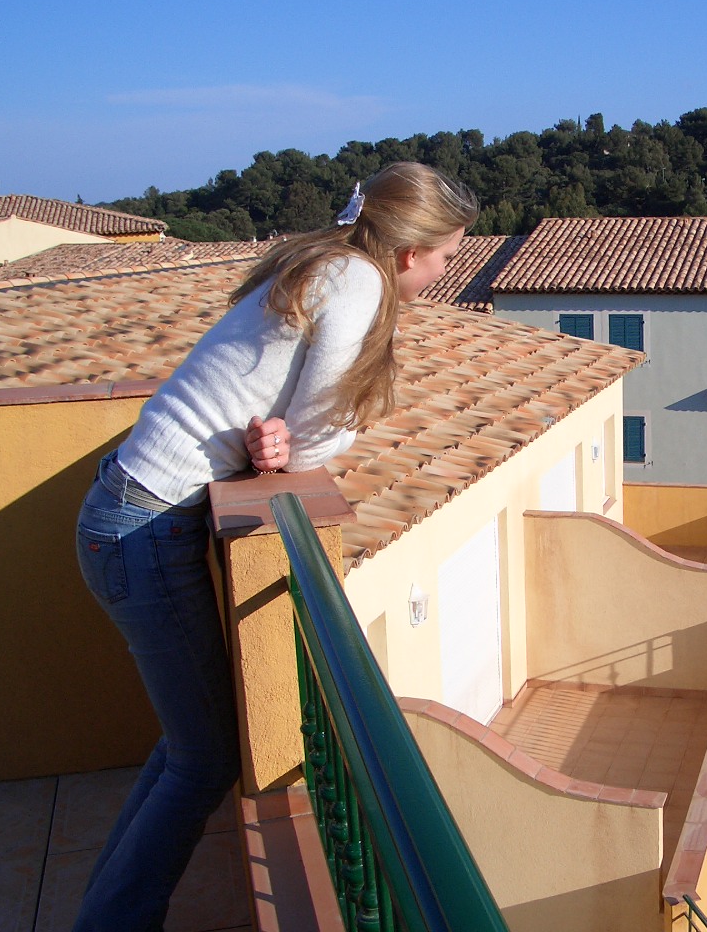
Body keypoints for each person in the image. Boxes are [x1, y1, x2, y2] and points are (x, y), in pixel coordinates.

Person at [73, 162, 478, 932]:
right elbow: (318, 429)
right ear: (409, 253)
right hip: (143, 530)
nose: (445, 273)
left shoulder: (326, 261)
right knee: (203, 762)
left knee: (187, 747)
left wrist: (281, 436)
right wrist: (293, 442)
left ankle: (105, 907)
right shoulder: (357, 283)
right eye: (447, 257)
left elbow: (294, 427)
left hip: (130, 514)